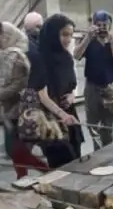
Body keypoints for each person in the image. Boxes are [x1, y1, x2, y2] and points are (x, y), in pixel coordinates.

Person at [28, 13, 84, 168]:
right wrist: (62, 115)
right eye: (64, 34)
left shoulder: (66, 57)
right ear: (52, 33)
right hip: (52, 120)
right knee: (62, 166)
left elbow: (71, 86)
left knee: (76, 161)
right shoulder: (41, 58)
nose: (68, 40)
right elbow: (43, 96)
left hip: (69, 115)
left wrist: (72, 97)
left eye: (71, 35)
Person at [0, 21, 35, 177]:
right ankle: (25, 177)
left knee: (17, 150)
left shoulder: (16, 56)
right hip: (6, 110)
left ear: (7, 36)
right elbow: (0, 82)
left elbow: (18, 85)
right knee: (15, 151)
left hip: (17, 111)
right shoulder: (2, 55)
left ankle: (40, 173)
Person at [74, 10, 113, 149]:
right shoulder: (89, 41)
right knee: (93, 123)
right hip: (92, 87)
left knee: (108, 124)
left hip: (110, 88)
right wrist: (88, 38)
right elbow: (76, 55)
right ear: (94, 25)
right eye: (99, 24)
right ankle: (98, 153)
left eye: (105, 25)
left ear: (109, 26)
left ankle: (109, 150)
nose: (102, 28)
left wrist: (112, 44)